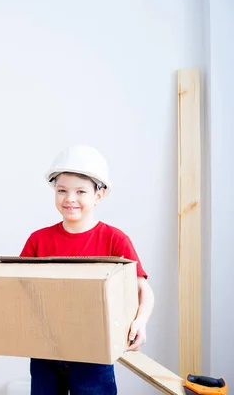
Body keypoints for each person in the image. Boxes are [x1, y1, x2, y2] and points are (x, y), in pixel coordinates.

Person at [19, 144, 155, 395]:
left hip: (94, 353)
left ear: (98, 195)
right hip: (45, 352)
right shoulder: (38, 240)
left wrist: (141, 322)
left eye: (80, 191)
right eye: (62, 191)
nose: (70, 198)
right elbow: (17, 288)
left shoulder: (114, 240)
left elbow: (142, 288)